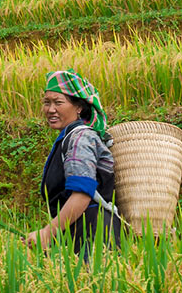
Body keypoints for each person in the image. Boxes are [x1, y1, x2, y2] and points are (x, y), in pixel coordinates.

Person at [24, 69, 119, 259]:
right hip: (82, 233)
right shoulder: (70, 137)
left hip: (94, 237)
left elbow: (82, 194)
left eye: (58, 102)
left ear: (79, 108)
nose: (50, 109)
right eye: (47, 102)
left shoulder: (80, 139)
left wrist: (47, 233)